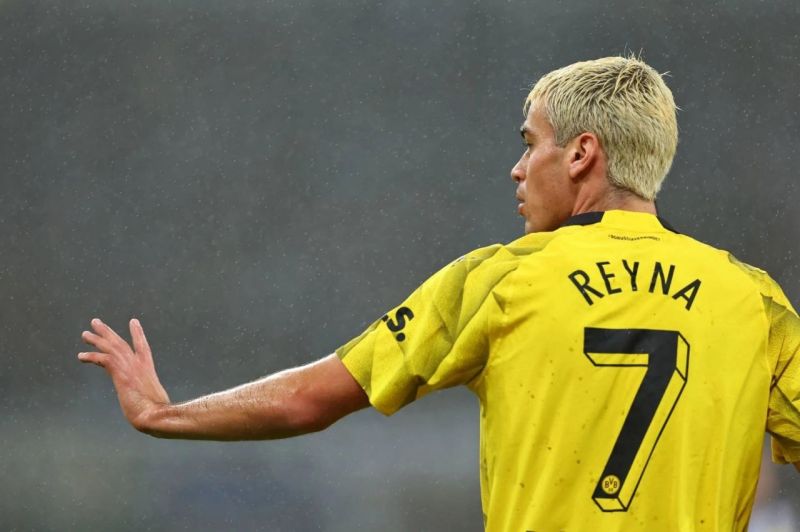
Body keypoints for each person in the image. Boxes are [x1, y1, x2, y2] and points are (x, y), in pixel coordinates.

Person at [78, 56, 800, 531]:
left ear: (582, 153)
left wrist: (166, 413)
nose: (518, 168)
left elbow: (311, 398)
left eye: (531, 142)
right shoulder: (752, 301)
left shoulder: (503, 280)